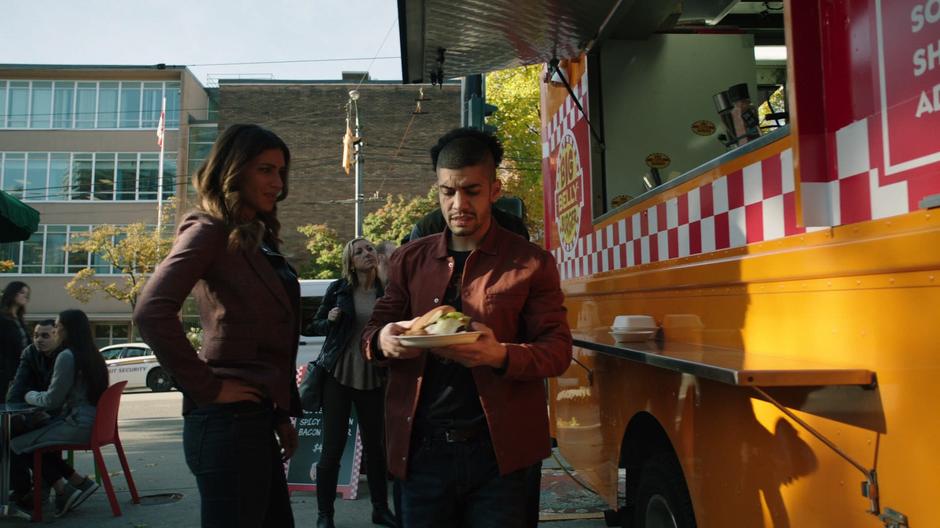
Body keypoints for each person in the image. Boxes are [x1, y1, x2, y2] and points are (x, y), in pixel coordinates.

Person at [361, 127, 573, 527]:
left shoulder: (530, 262)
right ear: (438, 190)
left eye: (472, 191)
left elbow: (558, 350)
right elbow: (370, 334)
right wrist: (384, 341)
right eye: (448, 192)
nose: (459, 204)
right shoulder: (409, 260)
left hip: (502, 455)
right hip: (421, 452)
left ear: (494, 189)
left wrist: (500, 355)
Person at [134, 124, 301, 528]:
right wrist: (207, 386)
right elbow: (151, 311)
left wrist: (279, 414)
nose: (277, 183)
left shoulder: (252, 236)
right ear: (234, 169)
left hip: (255, 419)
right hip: (226, 426)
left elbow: (265, 338)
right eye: (265, 170)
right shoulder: (208, 230)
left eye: (281, 171)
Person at [307, 238, 398, 528]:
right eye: (358, 251)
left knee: (377, 448)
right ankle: (325, 515)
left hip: (373, 376)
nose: (366, 253)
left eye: (369, 249)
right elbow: (314, 325)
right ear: (350, 261)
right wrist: (330, 319)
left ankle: (380, 509)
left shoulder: (387, 291)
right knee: (332, 448)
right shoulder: (338, 289)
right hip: (339, 375)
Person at [11, 310, 107, 518]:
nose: (56, 329)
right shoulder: (93, 355)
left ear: (65, 328)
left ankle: (63, 490)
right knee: (32, 437)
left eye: (57, 325)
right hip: (93, 424)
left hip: (76, 425)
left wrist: (29, 395)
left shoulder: (67, 356)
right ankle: (76, 482)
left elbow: (51, 400)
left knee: (17, 443)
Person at [0, 281, 32, 401]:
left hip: (20, 371)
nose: (26, 296)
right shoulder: (2, 319)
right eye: (22, 292)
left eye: (27, 294)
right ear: (12, 294)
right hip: (6, 372)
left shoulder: (19, 320)